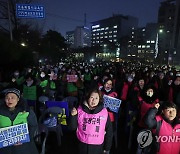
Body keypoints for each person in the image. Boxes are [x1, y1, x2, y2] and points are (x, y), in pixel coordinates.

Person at [69, 88, 113, 154]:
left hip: (97, 147)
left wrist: (107, 148)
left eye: (96, 98)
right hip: (82, 145)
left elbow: (109, 130)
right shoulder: (80, 110)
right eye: (91, 97)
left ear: (99, 100)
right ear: (88, 98)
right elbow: (72, 127)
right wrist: (73, 116)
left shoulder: (104, 112)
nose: (93, 100)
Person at [0, 88, 39, 154]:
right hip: (4, 148)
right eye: (7, 98)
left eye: (13, 97)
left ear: (18, 99)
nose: (9, 100)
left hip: (24, 146)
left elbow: (33, 126)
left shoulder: (26, 111)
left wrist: (26, 138)